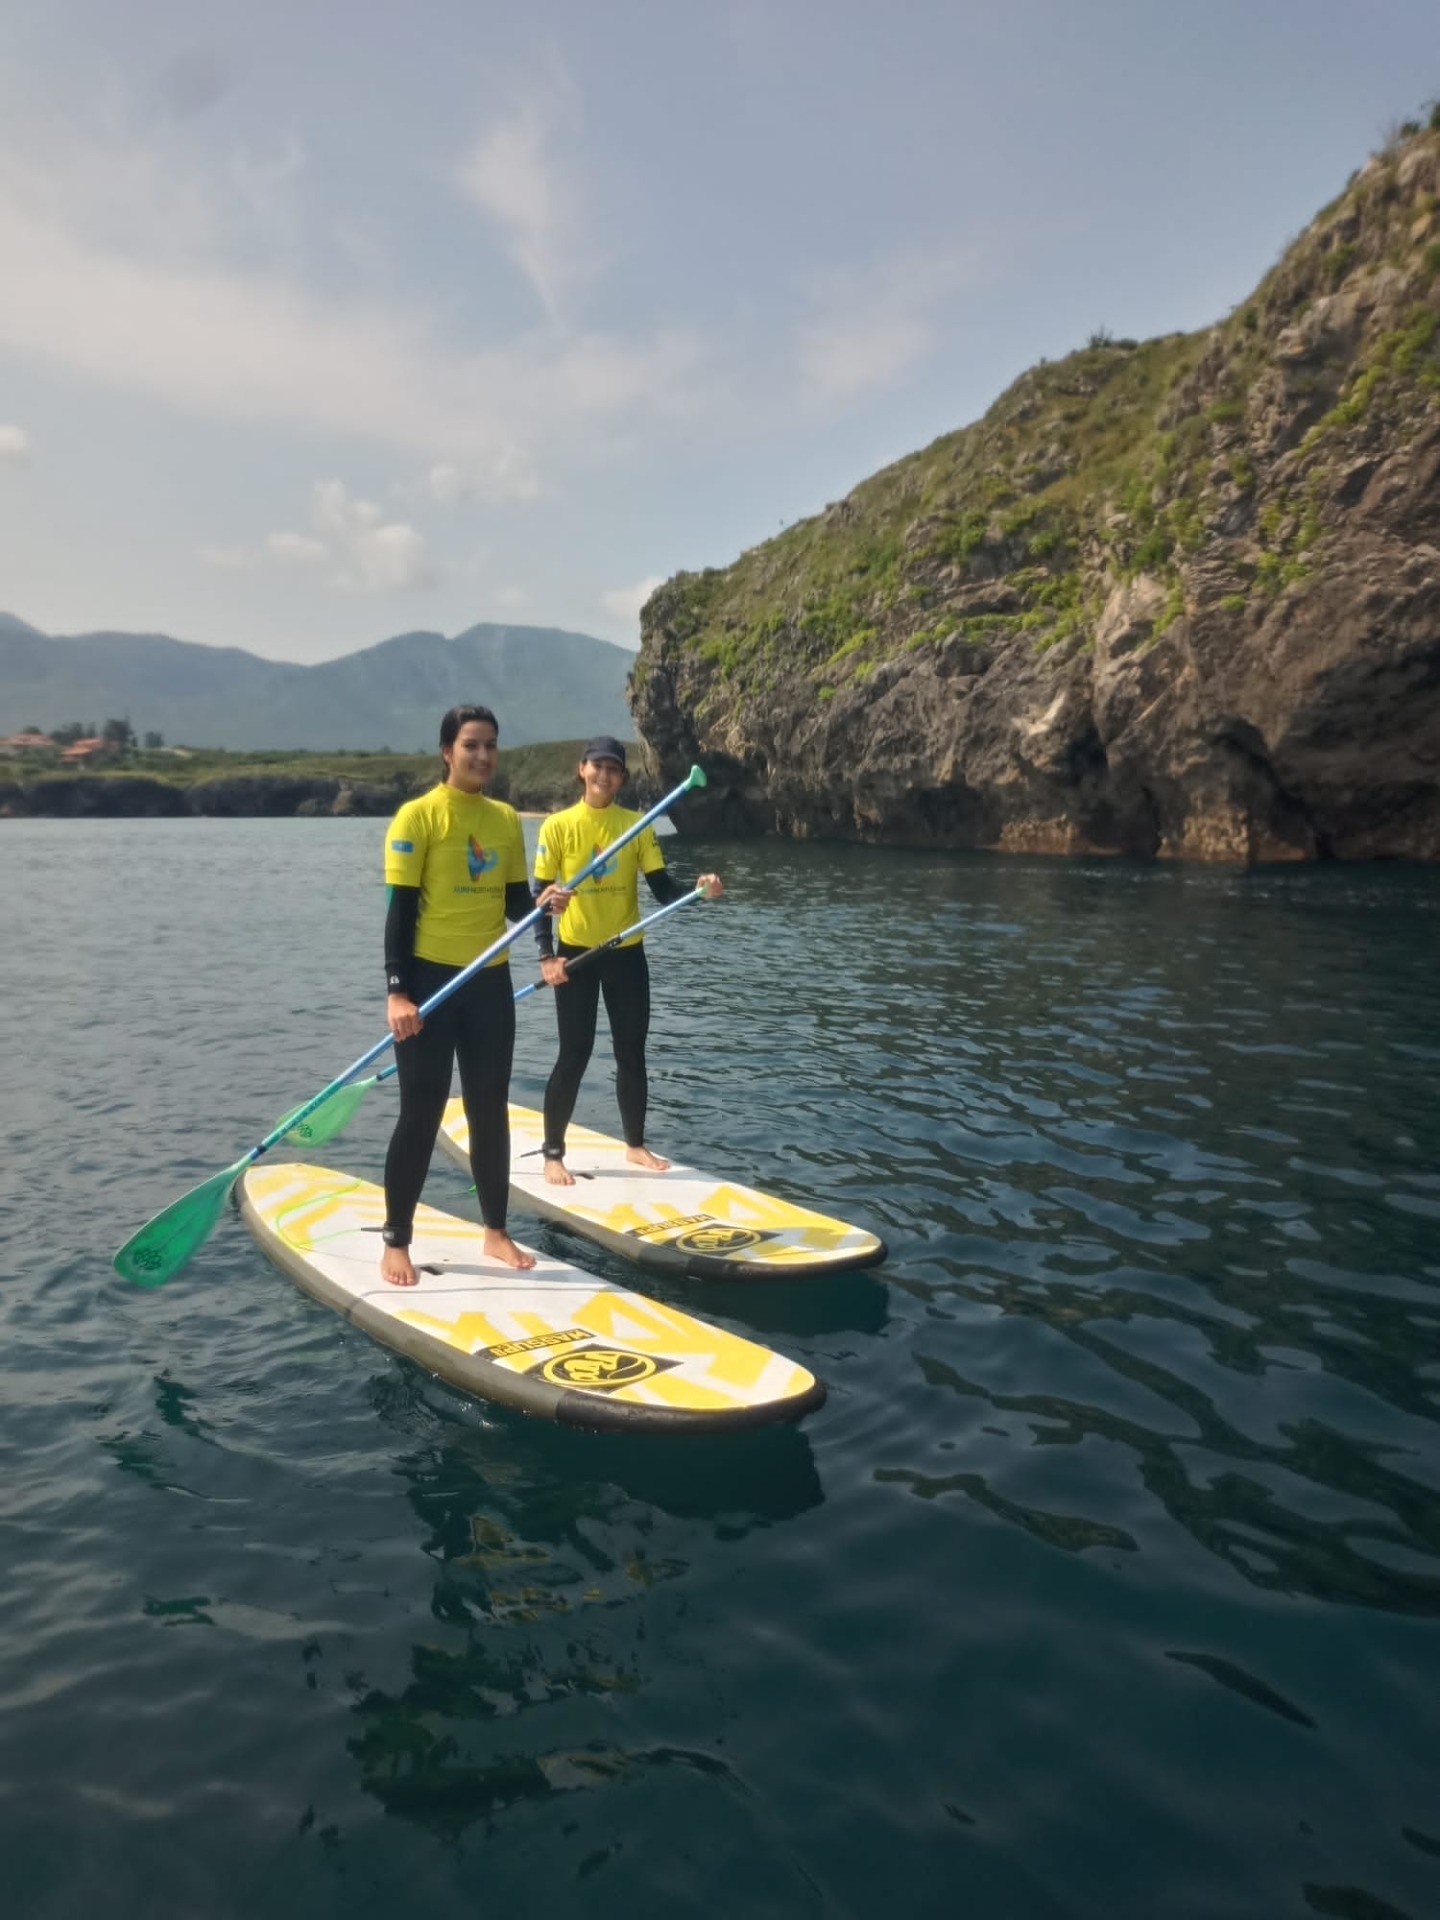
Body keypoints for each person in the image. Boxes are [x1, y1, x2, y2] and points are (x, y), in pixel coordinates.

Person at [380, 704, 567, 1285]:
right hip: (430, 983)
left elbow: (513, 900)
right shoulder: (417, 818)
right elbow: (399, 914)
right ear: (446, 752)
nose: (482, 756)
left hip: (489, 981)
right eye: (470, 746)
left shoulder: (506, 819)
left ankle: (494, 1231)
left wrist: (542, 908)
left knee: (490, 1110)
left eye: (490, 745)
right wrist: (397, 994)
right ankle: (396, 1240)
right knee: (421, 1111)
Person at [533, 735, 721, 1187]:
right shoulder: (557, 827)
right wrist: (546, 956)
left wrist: (700, 891)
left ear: (621, 778)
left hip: (625, 954)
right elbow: (536, 902)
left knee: (630, 1052)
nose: (604, 774)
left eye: (613, 769)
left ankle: (635, 1145)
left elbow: (664, 892)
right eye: (597, 766)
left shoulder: (638, 825)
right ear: (582, 770)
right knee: (573, 1054)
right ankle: (553, 1154)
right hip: (574, 955)